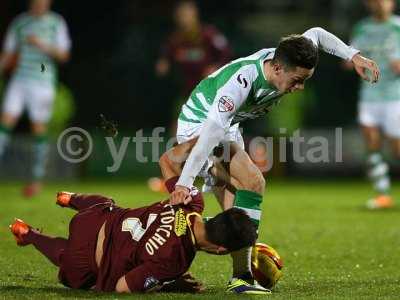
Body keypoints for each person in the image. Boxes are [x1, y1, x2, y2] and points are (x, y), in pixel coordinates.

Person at [169, 27, 380, 292]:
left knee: (236, 213)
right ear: (278, 69)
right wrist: (184, 183)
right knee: (253, 183)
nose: (300, 87)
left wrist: (353, 56)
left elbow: (315, 33)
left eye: (305, 80)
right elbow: (208, 138)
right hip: (200, 125)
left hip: (228, 126)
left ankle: (235, 275)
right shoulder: (240, 83)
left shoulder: (289, 57)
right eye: (297, 80)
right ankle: (236, 274)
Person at [9, 151, 258, 293]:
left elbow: (166, 160)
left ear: (216, 216)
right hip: (87, 258)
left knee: (109, 204)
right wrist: (167, 285)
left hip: (94, 215)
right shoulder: (175, 262)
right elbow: (122, 288)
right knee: (70, 261)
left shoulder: (191, 200)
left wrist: (202, 139)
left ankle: (68, 198)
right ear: (221, 250)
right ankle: (29, 234)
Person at [0, 0, 71, 197]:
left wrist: (41, 44)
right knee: (5, 123)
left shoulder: (56, 23)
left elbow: (63, 55)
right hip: (19, 80)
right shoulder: (20, 23)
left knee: (38, 129)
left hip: (42, 82)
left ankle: (36, 180)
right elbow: (8, 53)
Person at [347, 0, 400, 209]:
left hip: (394, 96)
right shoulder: (362, 27)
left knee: (397, 149)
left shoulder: (397, 26)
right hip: (369, 94)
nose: (380, 4)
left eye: (383, 0)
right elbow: (351, 54)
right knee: (372, 143)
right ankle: (382, 193)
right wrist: (351, 59)